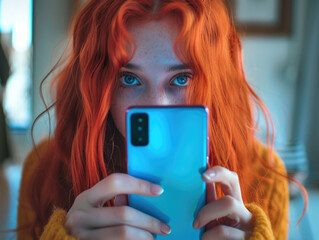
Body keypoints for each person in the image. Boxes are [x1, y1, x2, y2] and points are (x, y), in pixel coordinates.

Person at [17, 0, 300, 239]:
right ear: (97, 85)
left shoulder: (266, 177)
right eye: (129, 79)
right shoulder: (44, 169)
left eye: (180, 78)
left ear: (214, 83)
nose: (156, 107)